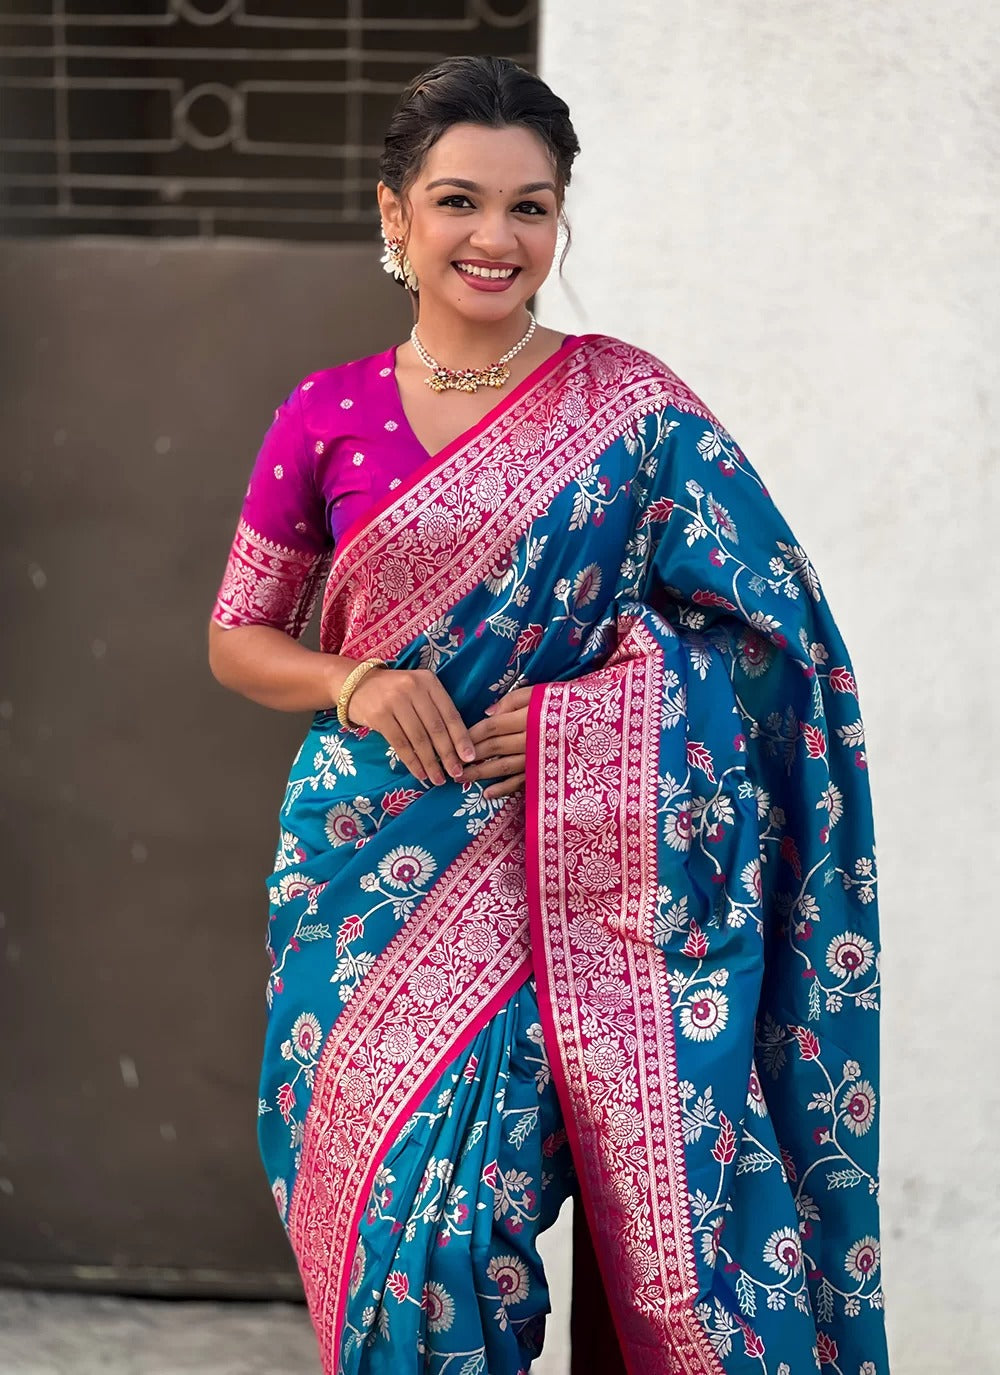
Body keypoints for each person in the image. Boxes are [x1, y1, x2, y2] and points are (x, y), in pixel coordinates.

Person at [208, 54, 888, 1375]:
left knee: (478, 1232)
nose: (496, 237)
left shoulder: (635, 410)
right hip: (364, 876)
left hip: (581, 881)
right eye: (461, 200)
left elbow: (777, 645)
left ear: (559, 219)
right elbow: (239, 638)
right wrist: (355, 680)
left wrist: (609, 721)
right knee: (400, 1242)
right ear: (396, 213)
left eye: (532, 206)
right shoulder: (327, 414)